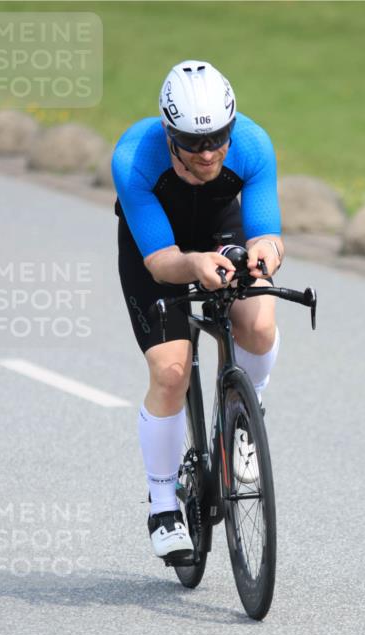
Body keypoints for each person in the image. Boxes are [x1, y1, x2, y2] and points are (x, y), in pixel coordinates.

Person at [112, 60, 284, 562]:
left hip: (219, 227)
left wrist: (263, 258)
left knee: (258, 319)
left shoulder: (252, 144)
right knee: (170, 371)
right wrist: (194, 264)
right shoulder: (134, 159)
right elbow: (163, 262)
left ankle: (245, 417)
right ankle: (163, 504)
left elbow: (268, 233)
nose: (208, 153)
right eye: (191, 142)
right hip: (159, 246)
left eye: (217, 139)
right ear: (169, 133)